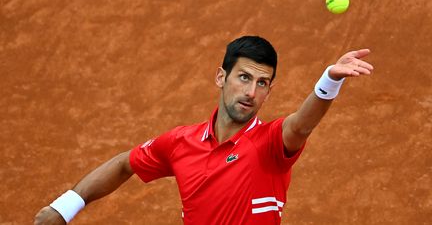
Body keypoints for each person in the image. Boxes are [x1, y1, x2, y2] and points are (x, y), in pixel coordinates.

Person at [34, 36, 373, 225]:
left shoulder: (270, 142)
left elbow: (302, 123)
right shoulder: (181, 142)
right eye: (244, 78)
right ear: (221, 78)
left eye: (262, 83)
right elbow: (126, 163)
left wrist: (329, 81)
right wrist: (63, 208)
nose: (251, 92)